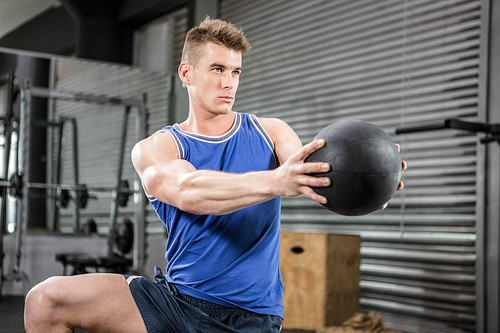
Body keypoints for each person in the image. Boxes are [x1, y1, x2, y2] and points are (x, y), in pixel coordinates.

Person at [24, 17, 405, 333]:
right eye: (218, 69)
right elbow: (188, 190)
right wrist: (275, 181)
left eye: (236, 71)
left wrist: (368, 178)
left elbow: (312, 173)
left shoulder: (271, 133)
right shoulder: (158, 147)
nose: (229, 83)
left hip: (250, 318)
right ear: (187, 73)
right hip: (176, 304)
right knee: (45, 300)